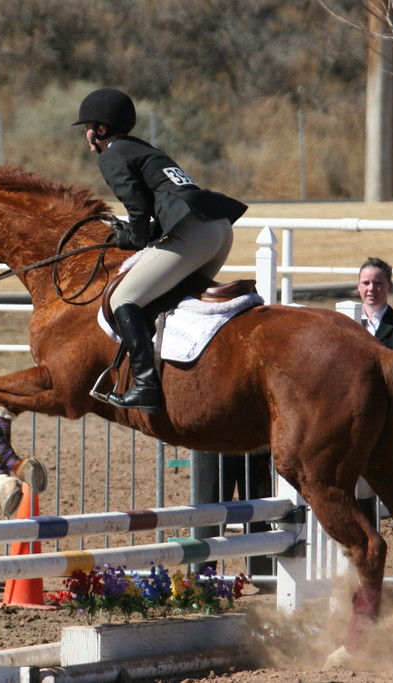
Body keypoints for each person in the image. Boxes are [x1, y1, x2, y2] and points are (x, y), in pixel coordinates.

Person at [73, 88, 247, 414]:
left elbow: (138, 209)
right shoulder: (142, 148)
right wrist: (143, 233)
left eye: (88, 126)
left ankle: (145, 386)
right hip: (218, 228)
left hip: (193, 232)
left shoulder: (112, 155)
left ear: (102, 129)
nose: (86, 133)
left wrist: (132, 238)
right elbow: (162, 203)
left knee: (124, 299)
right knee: (170, 301)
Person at [354, 257, 393, 538]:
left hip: (389, 421)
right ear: (358, 286)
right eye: (366, 283)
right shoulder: (346, 323)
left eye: (378, 283)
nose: (372, 289)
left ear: (389, 286)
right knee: (359, 490)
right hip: (355, 420)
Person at [192, 449, 275, 589]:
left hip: (254, 441)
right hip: (212, 441)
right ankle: (200, 580)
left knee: (260, 511)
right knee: (209, 513)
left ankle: (265, 577)